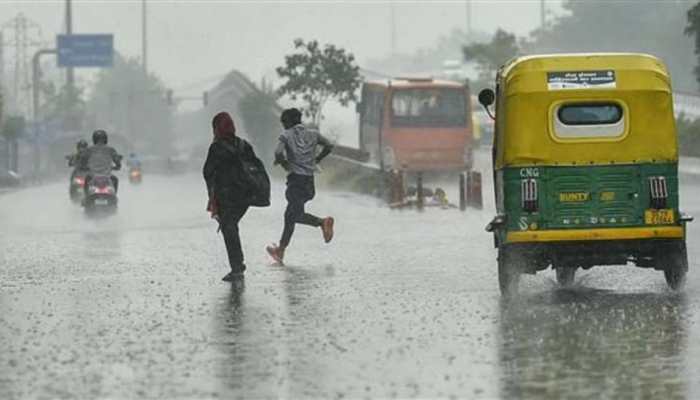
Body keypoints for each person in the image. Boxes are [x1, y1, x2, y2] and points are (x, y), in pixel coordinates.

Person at [266, 108, 335, 265]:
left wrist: (284, 164)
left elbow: (278, 153)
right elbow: (329, 145)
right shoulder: (313, 134)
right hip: (309, 183)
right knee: (290, 215)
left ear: (289, 121)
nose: (284, 126)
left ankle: (322, 222)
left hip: (295, 181)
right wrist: (316, 159)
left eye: (284, 123)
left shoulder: (286, 135)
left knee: (294, 215)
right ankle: (280, 250)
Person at [203, 112, 259, 282]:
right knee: (231, 226)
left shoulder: (216, 147)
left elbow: (207, 172)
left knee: (229, 228)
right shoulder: (244, 145)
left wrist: (211, 195)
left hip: (226, 195)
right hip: (245, 195)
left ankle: (237, 268)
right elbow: (255, 167)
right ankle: (237, 266)